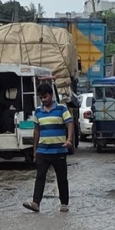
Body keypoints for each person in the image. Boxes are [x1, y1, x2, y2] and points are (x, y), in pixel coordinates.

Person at [23, 83, 74, 214]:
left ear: (51, 95)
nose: (43, 100)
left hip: (59, 151)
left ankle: (64, 203)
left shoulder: (62, 109)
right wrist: (35, 150)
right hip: (43, 151)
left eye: (45, 97)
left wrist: (69, 140)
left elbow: (70, 124)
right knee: (40, 176)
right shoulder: (38, 112)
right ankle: (36, 203)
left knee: (61, 178)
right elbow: (36, 131)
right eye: (41, 98)